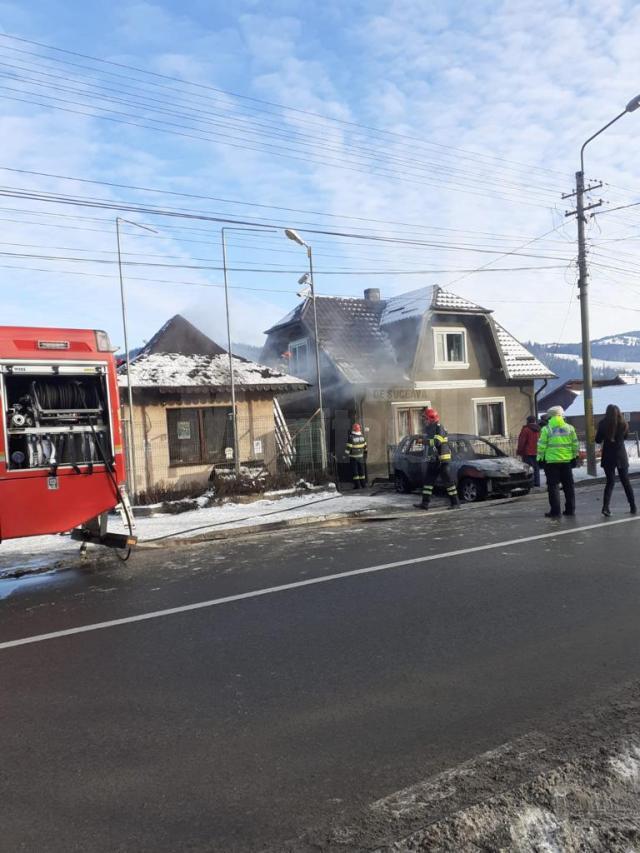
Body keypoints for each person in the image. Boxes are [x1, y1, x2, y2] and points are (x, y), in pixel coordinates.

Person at [537, 405, 580, 518]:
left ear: (550, 417)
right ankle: (570, 509)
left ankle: (555, 511)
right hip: (566, 462)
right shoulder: (570, 428)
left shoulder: (546, 429)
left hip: (551, 462)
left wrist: (540, 459)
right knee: (568, 486)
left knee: (553, 487)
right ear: (561, 415)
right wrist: (575, 456)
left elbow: (541, 446)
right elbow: (575, 444)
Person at [414, 407, 460, 510]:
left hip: (443, 461)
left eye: (426, 418)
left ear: (431, 418)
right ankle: (424, 504)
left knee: (448, 483)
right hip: (434, 460)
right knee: (428, 483)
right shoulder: (430, 428)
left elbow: (437, 442)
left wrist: (423, 442)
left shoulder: (440, 428)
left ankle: (455, 503)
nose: (424, 420)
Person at [595, 404, 636, 516]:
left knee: (610, 482)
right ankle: (633, 506)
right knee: (625, 481)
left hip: (608, 456)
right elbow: (625, 437)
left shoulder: (603, 424)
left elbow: (597, 440)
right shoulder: (623, 424)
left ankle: (605, 507)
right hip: (621, 456)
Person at [517, 415, 541, 487]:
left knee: (528, 468)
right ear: (534, 421)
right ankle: (537, 482)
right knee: (536, 468)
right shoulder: (539, 430)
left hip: (527, 452)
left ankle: (530, 483)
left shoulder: (526, 430)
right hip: (537, 451)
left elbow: (522, 441)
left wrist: (519, 450)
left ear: (528, 421)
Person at [345, 423, 367, 489]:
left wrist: (345, 455)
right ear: (359, 429)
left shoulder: (351, 437)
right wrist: (365, 455)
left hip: (353, 457)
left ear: (353, 429)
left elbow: (348, 448)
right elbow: (365, 447)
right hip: (361, 457)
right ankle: (363, 484)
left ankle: (357, 485)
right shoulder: (363, 436)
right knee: (362, 470)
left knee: (355, 472)